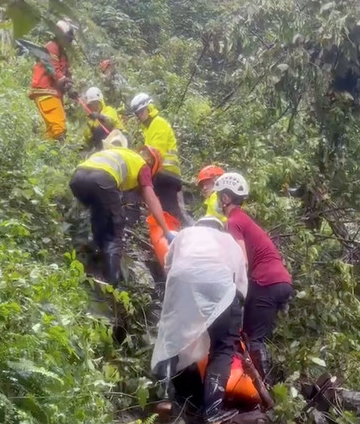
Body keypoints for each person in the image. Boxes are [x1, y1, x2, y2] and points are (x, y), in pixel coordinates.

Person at [151, 216, 248, 422]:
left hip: (182, 283)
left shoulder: (184, 235)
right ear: (220, 229)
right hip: (221, 285)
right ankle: (212, 411)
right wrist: (233, 320)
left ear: (199, 226)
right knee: (222, 348)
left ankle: (164, 398)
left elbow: (168, 267)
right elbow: (241, 286)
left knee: (172, 341)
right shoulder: (231, 242)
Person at [213, 172, 294, 384]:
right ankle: (266, 384)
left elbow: (241, 259)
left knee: (253, 338)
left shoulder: (233, 221)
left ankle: (263, 388)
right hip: (280, 281)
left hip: (266, 281)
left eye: (218, 195)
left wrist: (234, 291)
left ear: (225, 198)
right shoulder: (244, 218)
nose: (216, 199)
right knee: (255, 334)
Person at [70, 146, 176, 285]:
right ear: (152, 166)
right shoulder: (143, 166)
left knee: (99, 220)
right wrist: (167, 231)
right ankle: (111, 283)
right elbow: (151, 198)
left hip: (78, 178)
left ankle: (86, 263)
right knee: (114, 231)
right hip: (102, 180)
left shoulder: (123, 154)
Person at [129, 93, 193, 226]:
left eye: (141, 111)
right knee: (165, 208)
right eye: (137, 113)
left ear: (149, 108)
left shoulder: (158, 123)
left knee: (171, 210)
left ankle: (186, 232)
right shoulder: (150, 128)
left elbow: (154, 153)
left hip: (166, 173)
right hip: (160, 174)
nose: (139, 116)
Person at [28, 20, 77, 140]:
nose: (69, 42)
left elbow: (67, 72)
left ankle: (45, 154)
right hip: (45, 91)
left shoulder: (62, 53)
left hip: (53, 93)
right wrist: (66, 83)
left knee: (52, 131)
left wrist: (72, 87)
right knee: (59, 129)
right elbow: (53, 69)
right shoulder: (51, 47)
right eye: (68, 38)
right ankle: (60, 154)